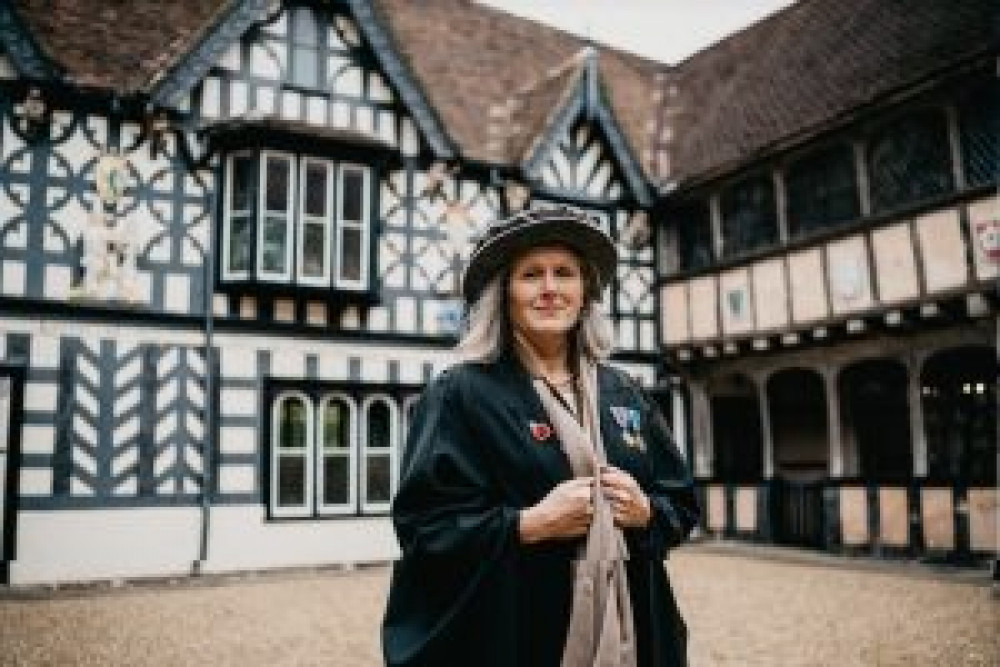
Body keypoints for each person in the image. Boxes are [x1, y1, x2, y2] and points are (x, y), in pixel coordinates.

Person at [382, 207, 699, 666]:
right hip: (513, 640)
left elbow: (681, 503)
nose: (550, 289)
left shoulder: (624, 391)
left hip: (635, 641)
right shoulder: (461, 394)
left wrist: (647, 512)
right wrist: (527, 525)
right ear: (503, 294)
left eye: (564, 274)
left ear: (584, 293)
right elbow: (423, 528)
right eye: (531, 275)